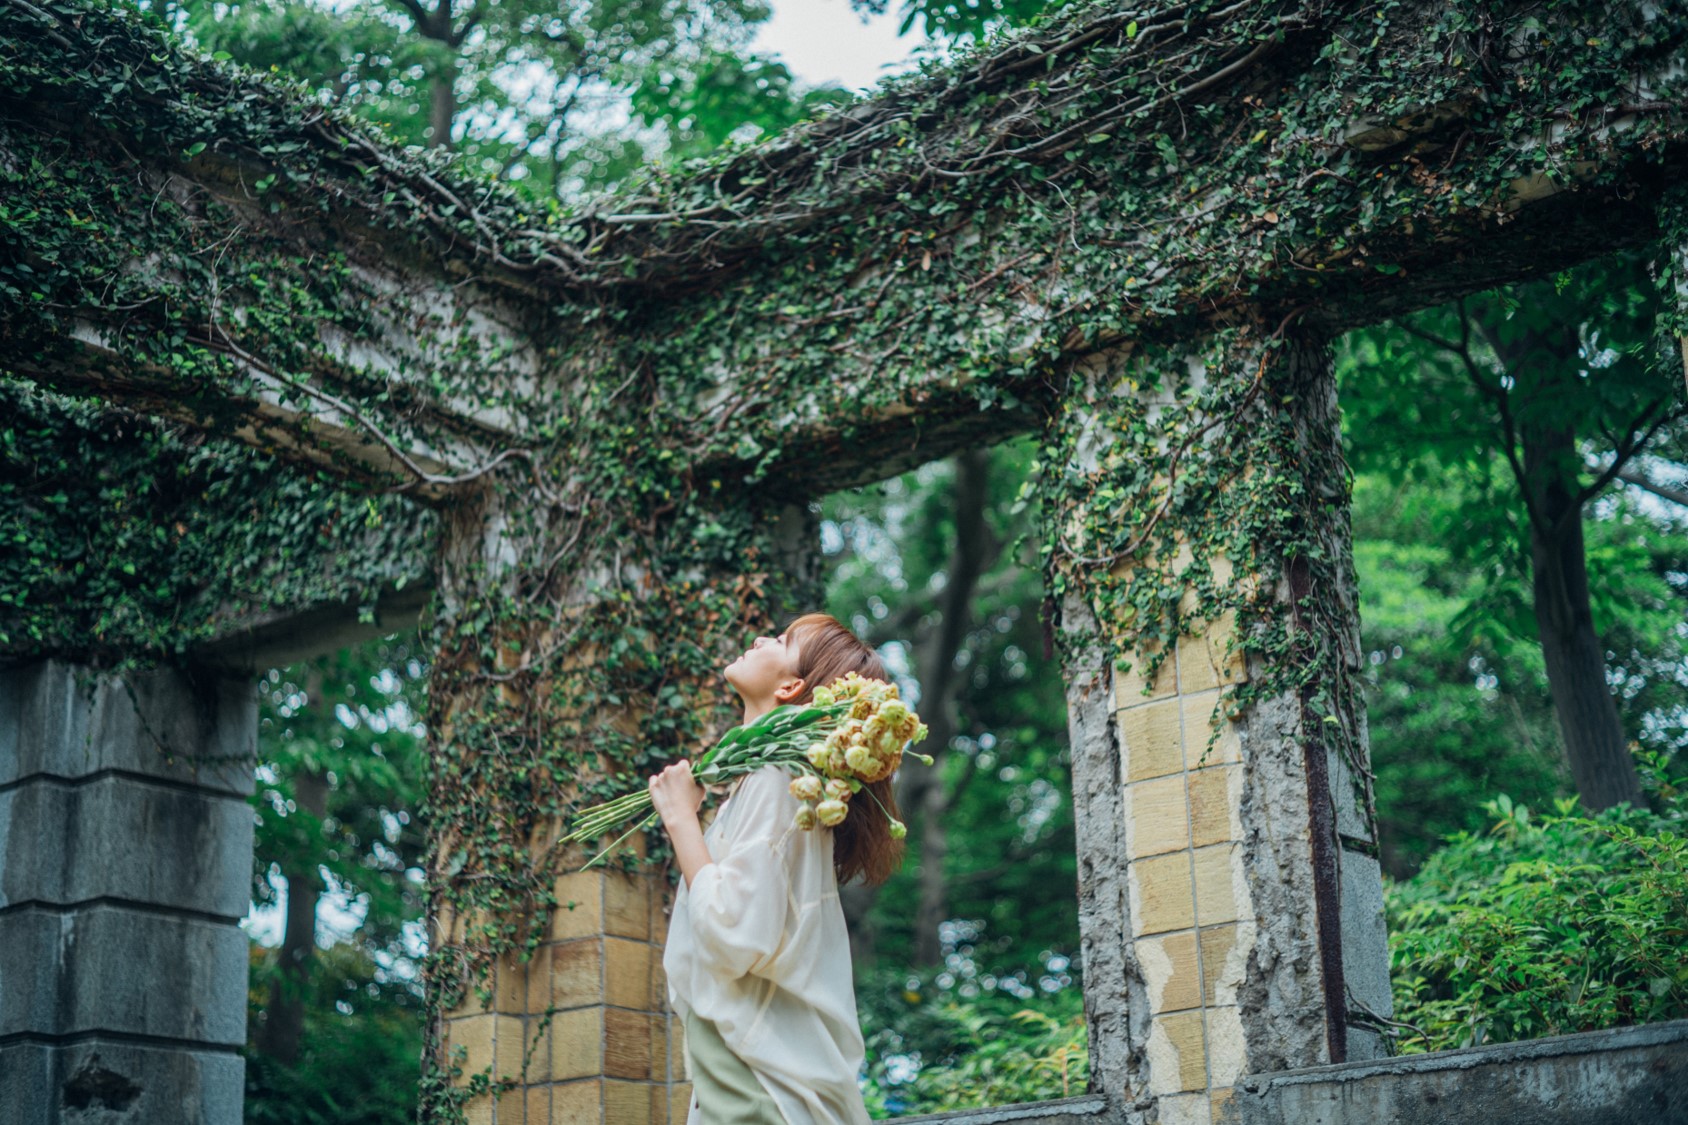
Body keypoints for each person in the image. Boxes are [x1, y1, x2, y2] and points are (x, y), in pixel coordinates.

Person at [647, 613, 906, 1125]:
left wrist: (680, 819)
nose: (763, 637)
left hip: (762, 1083)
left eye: (784, 640)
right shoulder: (766, 780)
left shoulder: (777, 778)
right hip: (753, 1074)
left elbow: (735, 930)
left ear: (791, 686)